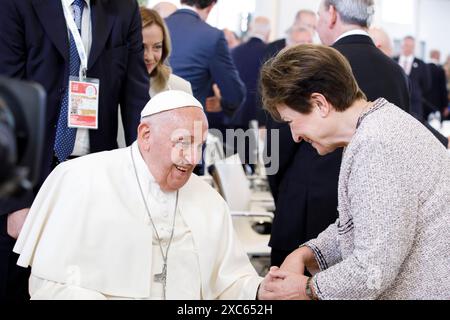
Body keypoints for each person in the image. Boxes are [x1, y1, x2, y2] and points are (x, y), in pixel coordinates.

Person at [13, 90, 265, 300]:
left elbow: (228, 284)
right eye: (183, 142)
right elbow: (48, 286)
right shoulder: (80, 179)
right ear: (146, 135)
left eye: (200, 145)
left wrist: (260, 290)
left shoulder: (207, 200)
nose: (193, 159)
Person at [258, 44, 450, 300]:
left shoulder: (376, 145)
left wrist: (306, 288)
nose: (295, 137)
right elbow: (364, 225)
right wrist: (307, 252)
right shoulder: (375, 127)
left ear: (320, 104)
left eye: (292, 122)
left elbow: (372, 270)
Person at [0, 0, 150, 300]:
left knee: (86, 285)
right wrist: (15, 200)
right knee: (19, 284)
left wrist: (146, 182)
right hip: (30, 178)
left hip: (96, 178)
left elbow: (136, 99)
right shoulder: (17, 5)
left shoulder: (123, 8)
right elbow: (7, 101)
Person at [165, 0, 245, 134]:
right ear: (211, 6)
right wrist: (223, 103)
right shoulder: (212, 36)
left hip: (150, 126)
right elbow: (234, 95)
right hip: (188, 130)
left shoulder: (157, 25)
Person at [140, 7, 192, 97]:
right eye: (141, 47)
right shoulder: (109, 86)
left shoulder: (180, 88)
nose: (150, 57)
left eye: (157, 47)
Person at [394, 36, 431, 121]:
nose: (408, 48)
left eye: (411, 46)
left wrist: (415, 93)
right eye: (406, 45)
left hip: (415, 106)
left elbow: (427, 85)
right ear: (402, 46)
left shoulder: (421, 64)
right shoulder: (393, 60)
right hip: (396, 103)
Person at [424, 50, 448, 119]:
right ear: (437, 56)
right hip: (437, 103)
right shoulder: (440, 70)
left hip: (424, 102)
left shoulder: (423, 67)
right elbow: (443, 89)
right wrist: (445, 106)